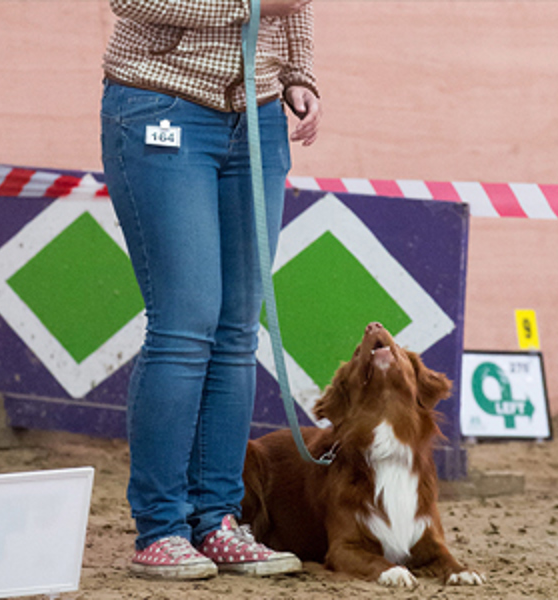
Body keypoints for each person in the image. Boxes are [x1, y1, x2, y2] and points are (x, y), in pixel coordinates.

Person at [100, 0, 322, 580]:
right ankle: (161, 528)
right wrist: (245, 7)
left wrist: (299, 74)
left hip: (260, 114)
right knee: (184, 323)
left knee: (237, 329)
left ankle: (218, 520)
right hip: (160, 99)